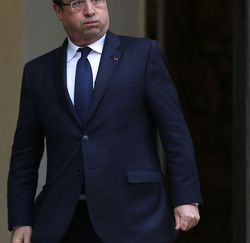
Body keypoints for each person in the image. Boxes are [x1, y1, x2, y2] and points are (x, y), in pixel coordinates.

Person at [7, 0, 202, 242]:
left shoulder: (144, 55)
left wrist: (186, 197)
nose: (90, 10)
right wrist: (21, 219)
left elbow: (175, 133)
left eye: (97, 0)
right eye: (78, 3)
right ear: (58, 11)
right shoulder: (38, 72)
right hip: (64, 221)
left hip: (136, 216)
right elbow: (25, 153)